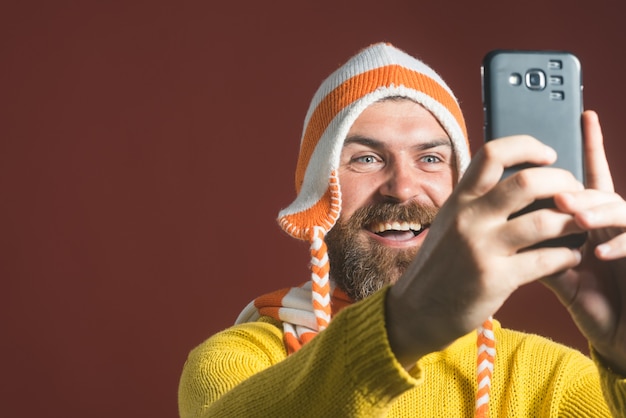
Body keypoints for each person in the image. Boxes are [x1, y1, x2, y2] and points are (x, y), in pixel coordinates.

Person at [177, 43, 626, 417]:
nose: (402, 188)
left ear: (463, 189)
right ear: (318, 193)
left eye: (431, 158)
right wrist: (409, 322)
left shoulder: (545, 379)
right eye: (366, 158)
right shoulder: (237, 362)